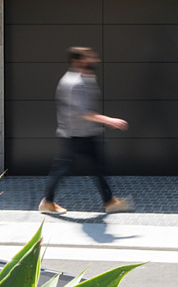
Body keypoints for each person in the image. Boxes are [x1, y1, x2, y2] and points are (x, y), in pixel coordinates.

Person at [39, 46, 131, 215]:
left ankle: (109, 201)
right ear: (78, 60)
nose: (94, 60)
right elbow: (83, 112)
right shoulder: (75, 83)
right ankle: (47, 201)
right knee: (63, 169)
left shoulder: (83, 78)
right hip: (75, 136)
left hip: (85, 133)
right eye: (89, 57)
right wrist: (109, 120)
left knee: (96, 168)